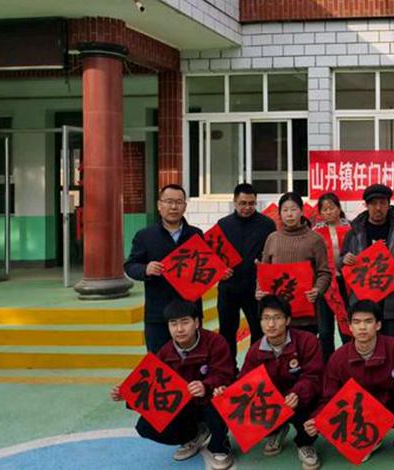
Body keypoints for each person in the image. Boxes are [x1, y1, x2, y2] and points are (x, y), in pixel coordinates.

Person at [112, 299, 235, 469]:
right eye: (173, 324)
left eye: (185, 322)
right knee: (145, 427)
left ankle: (220, 445)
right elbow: (152, 389)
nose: (179, 329)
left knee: (219, 397)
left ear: (197, 323)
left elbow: (225, 374)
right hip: (185, 405)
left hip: (208, 399)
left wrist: (206, 385)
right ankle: (193, 435)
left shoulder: (215, 342)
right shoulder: (165, 352)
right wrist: (126, 394)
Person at [304, 300, 394, 470]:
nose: (362, 327)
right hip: (360, 411)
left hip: (390, 404)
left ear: (378, 325)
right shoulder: (338, 358)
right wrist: (318, 418)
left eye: (368, 321)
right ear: (350, 327)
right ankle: (369, 440)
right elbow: (329, 397)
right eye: (356, 322)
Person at [217, 295, 323, 468]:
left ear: (288, 320)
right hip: (273, 402)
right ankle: (276, 430)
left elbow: (314, 375)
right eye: (266, 318)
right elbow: (245, 382)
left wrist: (297, 393)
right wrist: (226, 391)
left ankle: (305, 444)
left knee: (313, 402)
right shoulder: (255, 351)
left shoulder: (308, 341)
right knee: (250, 405)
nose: (271, 324)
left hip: (299, 397)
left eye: (277, 318)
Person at [125, 184, 205, 352]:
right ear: (159, 205)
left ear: (185, 206)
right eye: (169, 201)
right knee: (159, 360)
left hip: (190, 312)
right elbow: (130, 266)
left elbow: (205, 266)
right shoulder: (145, 236)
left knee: (192, 359)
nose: (174, 207)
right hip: (158, 314)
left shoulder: (196, 234)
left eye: (179, 202)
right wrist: (145, 269)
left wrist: (220, 273)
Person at [342, 184, 394, 339]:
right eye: (374, 203)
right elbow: (341, 260)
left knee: (391, 343)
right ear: (366, 205)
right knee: (364, 342)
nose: (378, 208)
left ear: (389, 204)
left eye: (382, 203)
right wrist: (345, 259)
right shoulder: (354, 231)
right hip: (363, 297)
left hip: (392, 298)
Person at [215, 183, 276, 363]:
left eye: (251, 203)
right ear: (234, 202)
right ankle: (228, 369)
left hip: (255, 289)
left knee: (258, 330)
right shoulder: (223, 225)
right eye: (243, 203)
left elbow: (273, 255)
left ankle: (254, 367)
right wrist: (220, 270)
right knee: (227, 331)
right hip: (228, 287)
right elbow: (213, 256)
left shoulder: (267, 225)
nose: (247, 207)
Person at [256, 192, 332, 334]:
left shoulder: (315, 239)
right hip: (277, 314)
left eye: (293, 209)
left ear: (301, 211)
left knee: (305, 345)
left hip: (306, 312)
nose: (289, 214)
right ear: (280, 213)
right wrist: (259, 290)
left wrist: (317, 290)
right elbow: (263, 271)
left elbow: (324, 272)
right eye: (285, 210)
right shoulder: (272, 238)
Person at [312, 192, 352, 362]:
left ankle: (349, 361)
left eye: (332, 208)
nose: (328, 212)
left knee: (347, 327)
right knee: (325, 330)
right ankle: (328, 365)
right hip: (325, 283)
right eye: (324, 209)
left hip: (347, 284)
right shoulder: (315, 232)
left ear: (339, 208)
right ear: (320, 212)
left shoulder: (351, 228)